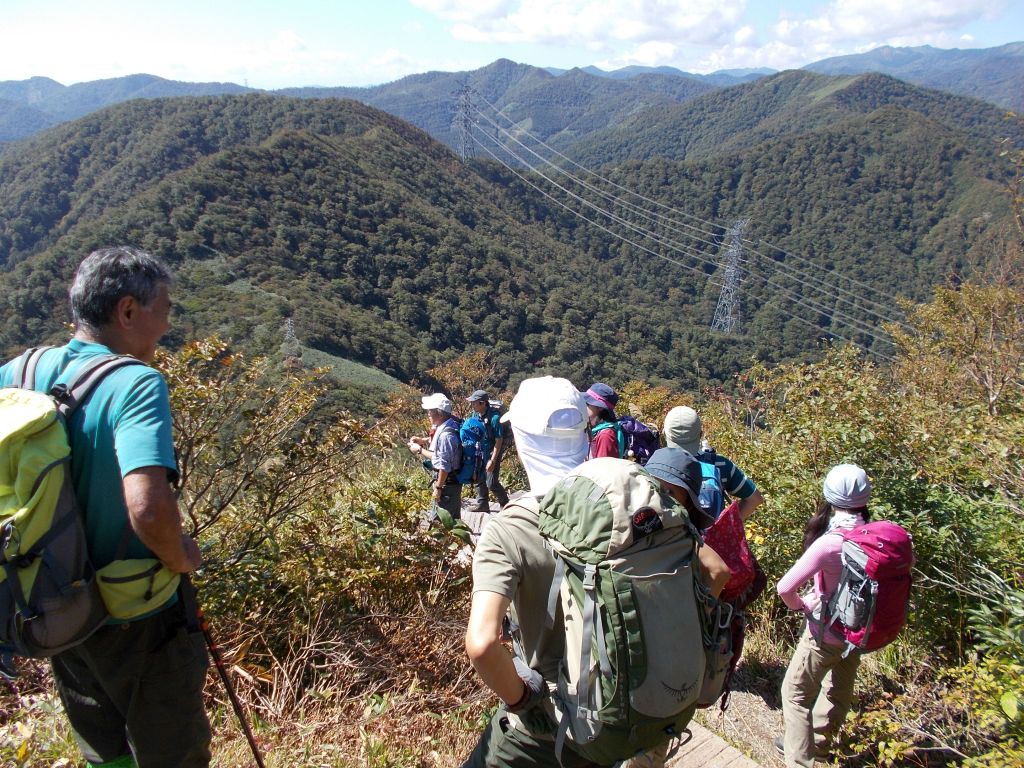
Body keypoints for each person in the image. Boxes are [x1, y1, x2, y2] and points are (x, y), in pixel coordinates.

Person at [0, 246, 211, 767]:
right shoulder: (135, 383)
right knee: (172, 751)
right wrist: (180, 555)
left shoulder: (18, 373)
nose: (167, 324)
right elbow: (147, 508)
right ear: (128, 311)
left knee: (101, 746)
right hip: (134, 608)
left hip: (53, 601)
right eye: (165, 308)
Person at [463, 378, 727, 768]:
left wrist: (523, 700)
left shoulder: (510, 527)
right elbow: (717, 571)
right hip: (621, 712)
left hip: (551, 728)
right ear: (586, 431)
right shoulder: (630, 494)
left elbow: (482, 645)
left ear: (519, 439)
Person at [774, 464, 873, 768]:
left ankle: (800, 760)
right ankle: (817, 745)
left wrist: (802, 605)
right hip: (858, 633)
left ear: (829, 497)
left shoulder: (830, 543)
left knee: (794, 694)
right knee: (836, 690)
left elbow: (785, 588)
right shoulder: (875, 535)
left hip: (824, 633)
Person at [662, 406, 763, 521]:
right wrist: (727, 525)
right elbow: (755, 499)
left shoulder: (656, 467)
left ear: (665, 434)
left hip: (673, 538)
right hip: (711, 538)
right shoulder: (720, 465)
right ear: (700, 434)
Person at [407, 392, 463, 521]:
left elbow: (444, 464)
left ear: (439, 413)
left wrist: (438, 488)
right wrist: (423, 440)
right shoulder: (449, 424)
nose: (428, 414)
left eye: (430, 411)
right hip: (451, 482)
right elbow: (440, 448)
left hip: (447, 484)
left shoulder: (446, 436)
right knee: (453, 520)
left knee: (440, 521)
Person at [467, 389, 510, 512]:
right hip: (479, 450)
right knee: (479, 477)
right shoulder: (475, 415)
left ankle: (505, 504)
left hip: (492, 452)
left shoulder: (495, 418)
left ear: (483, 403)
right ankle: (482, 504)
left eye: (474, 403)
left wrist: (492, 459)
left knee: (491, 482)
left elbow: (499, 440)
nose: (472, 405)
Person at [583, 382, 622, 459]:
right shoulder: (595, 428)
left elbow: (603, 469)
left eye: (587, 404)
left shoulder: (606, 436)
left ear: (600, 407)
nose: (584, 407)